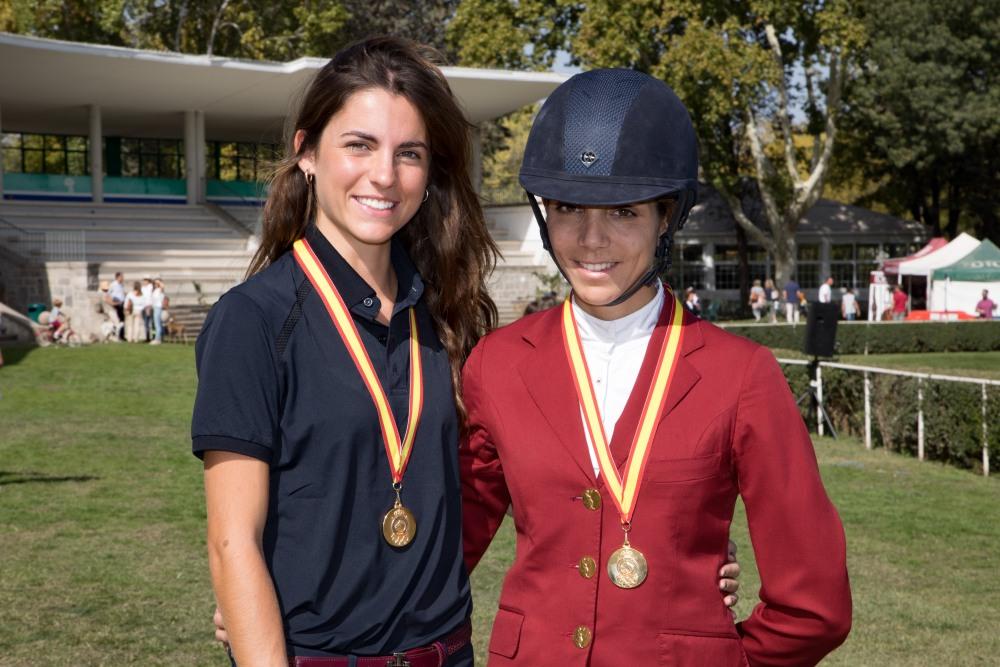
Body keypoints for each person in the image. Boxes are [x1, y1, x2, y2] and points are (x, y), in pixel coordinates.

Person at [203, 40, 742, 666]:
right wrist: (252, 613)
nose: (384, 174)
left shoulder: (447, 315)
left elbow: (504, 489)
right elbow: (231, 543)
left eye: (409, 154)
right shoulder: (253, 321)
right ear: (306, 154)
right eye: (359, 145)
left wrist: (687, 559)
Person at [460, 69, 851, 665]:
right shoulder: (498, 363)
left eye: (622, 212)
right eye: (569, 208)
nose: (591, 239)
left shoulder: (742, 375)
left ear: (666, 216)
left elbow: (813, 603)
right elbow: (438, 554)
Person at [109, 272, 127, 340]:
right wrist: (113, 302)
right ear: (117, 277)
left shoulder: (121, 285)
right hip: (117, 303)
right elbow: (109, 294)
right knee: (118, 320)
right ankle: (118, 335)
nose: (122, 278)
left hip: (122, 303)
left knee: (122, 320)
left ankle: (122, 335)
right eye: (121, 277)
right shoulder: (113, 285)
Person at [150, 278, 167, 345]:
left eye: (157, 283)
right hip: (155, 307)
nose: (155, 284)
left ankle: (157, 339)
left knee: (157, 324)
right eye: (155, 283)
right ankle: (159, 338)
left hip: (158, 307)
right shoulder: (155, 290)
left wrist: (159, 282)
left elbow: (163, 286)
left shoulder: (160, 290)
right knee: (157, 324)